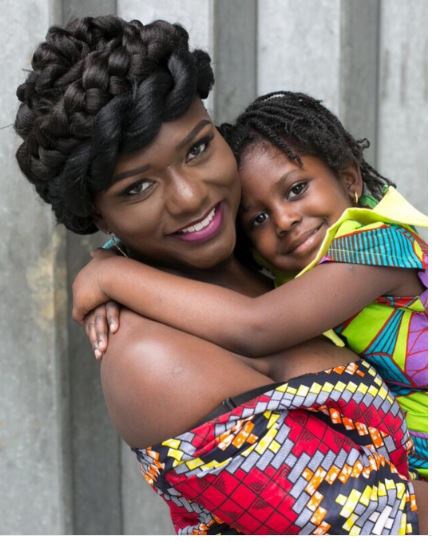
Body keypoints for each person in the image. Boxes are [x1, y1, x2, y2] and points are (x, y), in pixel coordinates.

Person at [15, 15, 425, 535]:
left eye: (198, 148)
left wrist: (108, 273)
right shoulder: (152, 361)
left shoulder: (262, 239)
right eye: (137, 189)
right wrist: (107, 277)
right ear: (98, 217)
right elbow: (386, 528)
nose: (193, 199)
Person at [72, 92, 428, 480]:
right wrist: (112, 255)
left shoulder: (378, 246)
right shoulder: (295, 259)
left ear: (348, 178)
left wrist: (110, 277)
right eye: (258, 218)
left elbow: (256, 325)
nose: (284, 220)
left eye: (296, 189)